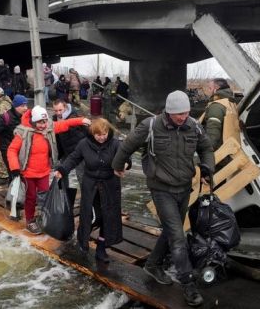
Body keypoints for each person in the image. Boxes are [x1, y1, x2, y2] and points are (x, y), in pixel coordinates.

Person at [111, 90, 214, 307]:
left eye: (186, 113)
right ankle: (188, 284)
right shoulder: (151, 126)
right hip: (161, 188)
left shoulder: (194, 125)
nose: (183, 117)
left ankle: (153, 264)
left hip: (184, 188)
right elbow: (127, 145)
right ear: (168, 111)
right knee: (178, 236)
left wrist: (206, 169)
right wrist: (118, 166)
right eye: (178, 114)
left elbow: (206, 148)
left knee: (170, 230)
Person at [54, 118, 131, 262]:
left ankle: (101, 247)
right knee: (93, 216)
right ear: (92, 133)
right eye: (98, 135)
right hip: (91, 185)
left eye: (104, 134)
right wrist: (62, 170)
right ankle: (82, 240)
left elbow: (125, 158)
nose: (102, 137)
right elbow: (73, 158)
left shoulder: (115, 144)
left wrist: (125, 165)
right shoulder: (84, 144)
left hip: (110, 185)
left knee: (107, 217)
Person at [6, 106, 91, 235]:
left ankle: (42, 216)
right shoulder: (23, 132)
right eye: (40, 122)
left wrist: (81, 120)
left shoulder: (49, 129)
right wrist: (15, 168)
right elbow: (12, 150)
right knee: (31, 197)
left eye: (45, 122)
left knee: (44, 195)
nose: (43, 125)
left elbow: (65, 124)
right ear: (34, 121)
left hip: (44, 171)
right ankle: (30, 220)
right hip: (27, 173)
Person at [52, 99, 88, 210]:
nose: (58, 113)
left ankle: (87, 200)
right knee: (61, 172)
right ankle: (64, 197)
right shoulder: (55, 119)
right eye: (56, 110)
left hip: (79, 152)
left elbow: (87, 133)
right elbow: (57, 138)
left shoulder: (75, 116)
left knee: (81, 176)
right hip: (66, 152)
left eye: (60, 110)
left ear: (65, 108)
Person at [0, 94, 29, 180]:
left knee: (25, 175)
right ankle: (13, 190)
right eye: (23, 106)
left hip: (23, 150)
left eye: (26, 105)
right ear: (15, 106)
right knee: (14, 176)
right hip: (9, 151)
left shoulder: (27, 117)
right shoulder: (5, 117)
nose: (26, 108)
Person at [200, 78, 240, 151]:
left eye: (210, 88)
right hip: (231, 148)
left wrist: (206, 152)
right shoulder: (231, 103)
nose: (208, 91)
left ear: (216, 89)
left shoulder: (216, 106)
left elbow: (212, 134)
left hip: (220, 151)